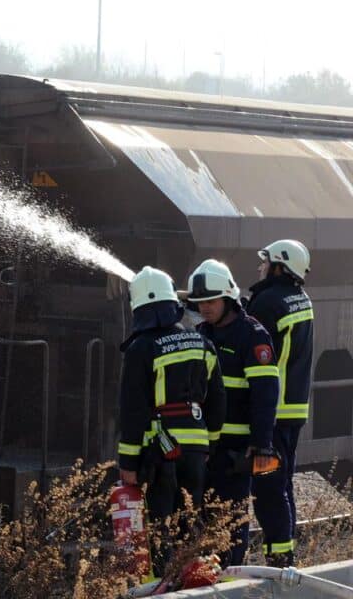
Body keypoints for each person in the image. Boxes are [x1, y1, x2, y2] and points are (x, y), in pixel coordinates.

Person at [117, 266, 225, 577]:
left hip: (159, 452)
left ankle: (160, 586)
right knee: (190, 521)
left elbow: (133, 410)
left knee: (159, 526)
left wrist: (128, 462)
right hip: (195, 451)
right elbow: (218, 399)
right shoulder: (201, 342)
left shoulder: (141, 348)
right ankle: (195, 581)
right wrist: (210, 442)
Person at [187, 259, 288, 566]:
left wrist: (260, 445)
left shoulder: (252, 335)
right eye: (200, 302)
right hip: (204, 448)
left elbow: (265, 395)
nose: (205, 308)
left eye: (211, 301)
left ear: (228, 297)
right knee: (201, 521)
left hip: (234, 452)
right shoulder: (202, 332)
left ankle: (231, 578)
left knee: (230, 524)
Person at [245, 240, 314, 567]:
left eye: (265, 262)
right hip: (293, 411)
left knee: (268, 486)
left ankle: (280, 560)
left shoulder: (269, 301)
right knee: (281, 484)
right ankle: (284, 552)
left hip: (271, 415)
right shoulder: (300, 299)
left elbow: (248, 335)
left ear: (278, 266)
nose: (260, 268)